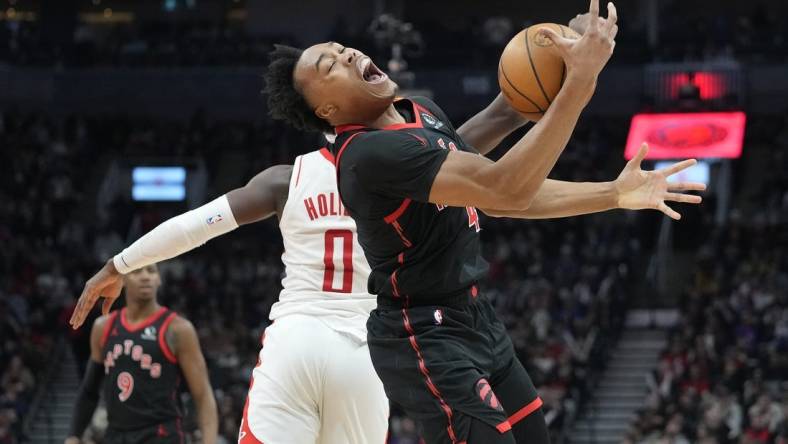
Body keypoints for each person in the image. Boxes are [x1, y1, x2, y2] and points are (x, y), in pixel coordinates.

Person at [262, 0, 705, 442]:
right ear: (328, 111)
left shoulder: (421, 111)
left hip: (474, 316)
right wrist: (582, 79)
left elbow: (509, 120)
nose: (347, 55)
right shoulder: (366, 154)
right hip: (422, 333)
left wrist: (565, 50)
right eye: (330, 66)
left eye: (342, 49)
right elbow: (505, 188)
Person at [65, 264, 218, 444]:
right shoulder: (103, 327)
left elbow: (202, 394)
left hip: (161, 433)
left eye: (151, 271)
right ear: (122, 280)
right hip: (116, 434)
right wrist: (73, 436)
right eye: (137, 271)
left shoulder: (178, 329)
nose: (145, 276)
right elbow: (89, 391)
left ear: (159, 279)